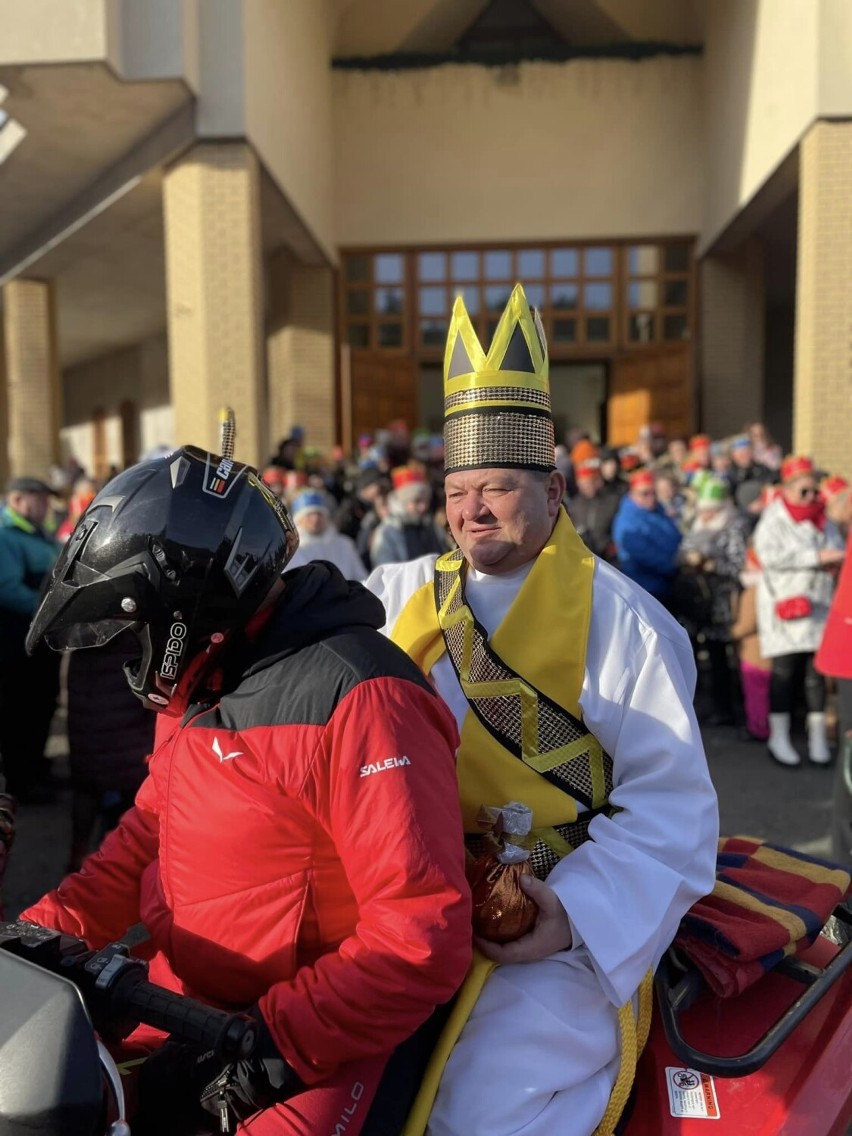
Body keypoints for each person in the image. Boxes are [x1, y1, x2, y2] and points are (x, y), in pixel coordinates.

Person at [17, 444, 472, 1135]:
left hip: (320, 1033)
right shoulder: (205, 684)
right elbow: (146, 838)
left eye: (133, 626)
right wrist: (29, 938)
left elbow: (418, 936)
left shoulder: (364, 699)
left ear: (186, 606)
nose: (129, 650)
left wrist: (273, 1048)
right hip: (188, 1002)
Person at [365, 284, 719, 1136]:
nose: (471, 508)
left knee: (481, 1110)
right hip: (403, 898)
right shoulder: (394, 591)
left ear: (555, 491)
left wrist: (570, 917)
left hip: (551, 911)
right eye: (458, 489)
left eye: (497, 487)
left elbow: (670, 804)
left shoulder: (625, 617)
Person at [753, 454, 846, 767]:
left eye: (814, 490)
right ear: (788, 489)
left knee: (814, 674)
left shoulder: (823, 519)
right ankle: (778, 737)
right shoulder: (773, 519)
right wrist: (817, 556)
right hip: (786, 606)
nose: (811, 497)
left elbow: (837, 548)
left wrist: (833, 559)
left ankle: (817, 737)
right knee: (784, 672)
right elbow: (769, 555)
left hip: (818, 605)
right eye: (804, 491)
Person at [0, 476, 63, 803]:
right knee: (21, 709)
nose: (46, 506)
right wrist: (48, 611)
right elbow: (7, 589)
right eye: (40, 499)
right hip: (17, 642)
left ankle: (36, 768)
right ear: (19, 500)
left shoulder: (40, 535)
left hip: (41, 639)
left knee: (43, 702)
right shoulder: (5, 536)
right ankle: (21, 781)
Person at [611, 468, 682, 607]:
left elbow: (675, 535)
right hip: (648, 590)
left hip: (668, 582)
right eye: (644, 494)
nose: (651, 497)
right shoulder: (627, 522)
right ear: (632, 494)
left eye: (654, 493)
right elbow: (647, 556)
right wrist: (677, 565)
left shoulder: (658, 510)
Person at [370, 465, 450, 567]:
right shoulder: (388, 532)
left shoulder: (431, 525)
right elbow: (385, 571)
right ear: (402, 502)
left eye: (425, 500)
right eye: (416, 501)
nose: (423, 507)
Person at [286, 487, 368, 581]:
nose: (315, 519)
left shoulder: (344, 544)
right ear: (299, 520)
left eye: (319, 514)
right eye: (309, 515)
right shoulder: (293, 550)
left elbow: (361, 577)